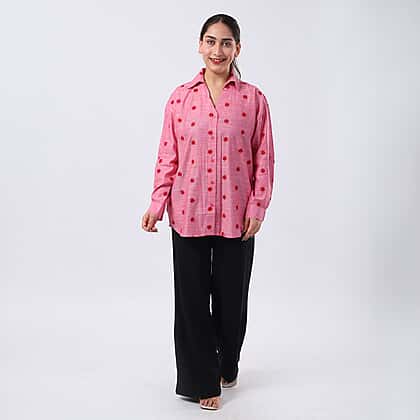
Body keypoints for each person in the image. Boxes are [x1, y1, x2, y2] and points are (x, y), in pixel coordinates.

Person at [141, 13, 275, 411]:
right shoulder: (180, 98)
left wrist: (258, 205)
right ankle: (202, 380)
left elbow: (264, 157)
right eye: (211, 41)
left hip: (237, 215)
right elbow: (168, 154)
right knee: (192, 302)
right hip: (189, 211)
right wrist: (157, 203)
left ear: (238, 48)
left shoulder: (254, 99)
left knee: (232, 301)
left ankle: (227, 363)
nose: (218, 50)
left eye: (226, 42)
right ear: (200, 45)